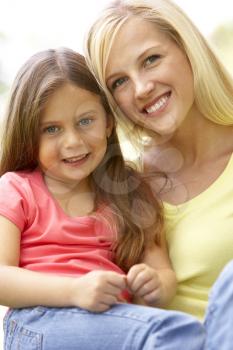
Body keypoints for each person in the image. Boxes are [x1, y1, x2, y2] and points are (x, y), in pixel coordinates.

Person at [0, 47, 204, 349]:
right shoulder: (16, 189)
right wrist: (74, 291)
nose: (73, 141)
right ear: (30, 135)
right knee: (174, 333)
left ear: (108, 122)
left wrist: (154, 283)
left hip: (116, 324)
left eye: (85, 121)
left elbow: (162, 272)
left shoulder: (130, 192)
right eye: (52, 129)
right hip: (40, 322)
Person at [84, 0, 233, 346]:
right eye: (119, 81)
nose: (141, 89)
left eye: (151, 60)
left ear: (187, 48)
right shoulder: (125, 187)